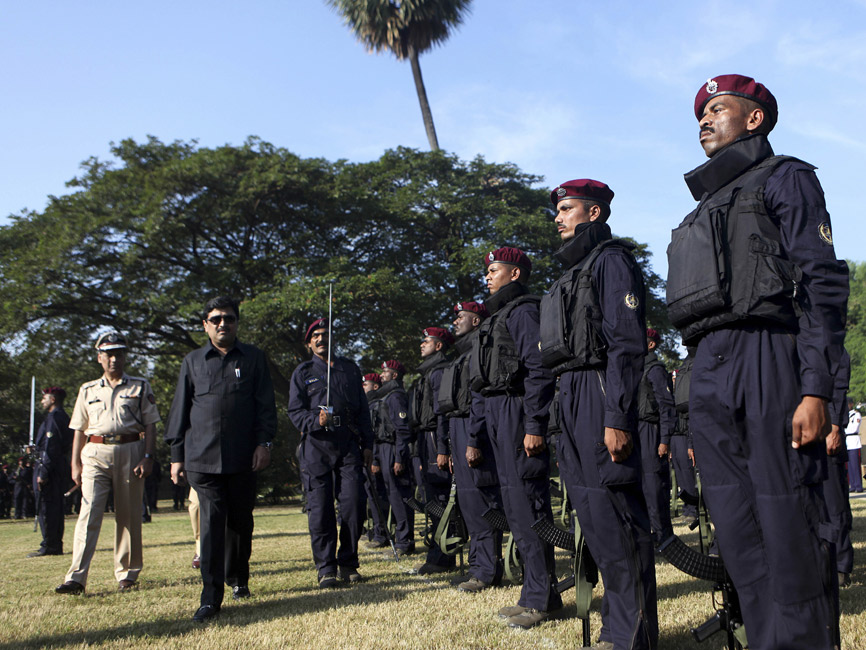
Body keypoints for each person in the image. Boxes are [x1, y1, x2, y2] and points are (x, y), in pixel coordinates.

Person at [666, 74, 849, 649]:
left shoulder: (786, 177)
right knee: (740, 532)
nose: (704, 119)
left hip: (769, 357)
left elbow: (821, 283)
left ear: (754, 119)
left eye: (718, 108)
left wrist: (817, 391)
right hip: (708, 366)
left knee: (788, 522)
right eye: (701, 111)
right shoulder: (700, 210)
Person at [541, 179, 657, 648]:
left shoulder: (611, 262)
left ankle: (635, 635)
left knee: (616, 516)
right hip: (569, 393)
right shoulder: (571, 272)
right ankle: (616, 627)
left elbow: (627, 343)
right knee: (592, 516)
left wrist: (617, 416)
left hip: (598, 389)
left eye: (567, 208)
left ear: (593, 214)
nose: (558, 217)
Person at [164, 296, 277, 622]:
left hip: (244, 457)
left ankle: (238, 578)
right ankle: (210, 598)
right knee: (212, 524)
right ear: (205, 325)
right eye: (215, 319)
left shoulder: (254, 358)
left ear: (237, 322)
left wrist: (264, 444)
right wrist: (176, 455)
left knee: (241, 522)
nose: (222, 324)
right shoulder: (193, 361)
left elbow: (265, 407)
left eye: (228, 318)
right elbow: (180, 410)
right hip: (202, 459)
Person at [469, 247, 561, 629]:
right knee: (514, 506)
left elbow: (538, 369)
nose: (488, 277)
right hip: (496, 412)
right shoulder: (498, 317)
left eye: (494, 270)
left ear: (515, 274)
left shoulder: (523, 311)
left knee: (529, 504)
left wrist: (534, 424)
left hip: (517, 409)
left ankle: (541, 598)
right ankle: (533, 591)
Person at [55, 331, 160, 595]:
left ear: (125, 356)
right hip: (95, 453)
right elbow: (79, 428)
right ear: (99, 357)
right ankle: (76, 578)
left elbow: (151, 424)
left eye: (119, 353)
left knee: (128, 515)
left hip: (130, 450)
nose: (114, 359)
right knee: (88, 514)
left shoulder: (140, 386)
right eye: (109, 354)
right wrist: (75, 465)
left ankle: (127, 573)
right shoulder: (87, 389)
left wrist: (148, 457)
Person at [288, 317, 374, 588]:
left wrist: (369, 445)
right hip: (316, 448)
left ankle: (348, 562)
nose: (322, 339)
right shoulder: (302, 373)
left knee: (353, 503)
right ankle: (326, 568)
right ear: (309, 342)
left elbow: (363, 411)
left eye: (326, 334)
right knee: (320, 509)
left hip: (348, 445)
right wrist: (315, 421)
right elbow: (295, 411)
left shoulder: (349, 369)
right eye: (316, 336)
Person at [438, 301, 503, 592]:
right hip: (458, 427)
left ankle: (487, 569)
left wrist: (474, 439)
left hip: (472, 427)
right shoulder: (460, 355)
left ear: (476, 321)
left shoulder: (479, 349)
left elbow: (479, 397)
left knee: (480, 503)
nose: (455, 322)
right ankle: (478, 566)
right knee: (468, 503)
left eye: (461, 317)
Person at [411, 326, 456, 575]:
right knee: (432, 500)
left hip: (434, 438)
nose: (421, 344)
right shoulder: (428, 372)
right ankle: (437, 553)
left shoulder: (438, 372)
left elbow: (441, 413)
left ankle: (441, 557)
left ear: (439, 346)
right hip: (425, 438)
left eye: (426, 341)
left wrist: (441, 447)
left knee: (440, 499)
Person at [371, 360, 416, 556]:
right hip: (383, 448)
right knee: (393, 495)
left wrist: (399, 457)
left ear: (394, 375)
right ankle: (401, 539)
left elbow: (402, 429)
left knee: (400, 496)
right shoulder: (386, 396)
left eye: (385, 372)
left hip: (393, 448)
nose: (382, 375)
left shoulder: (396, 397)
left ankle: (405, 541)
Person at [637, 328, 676, 543]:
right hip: (638, 432)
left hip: (652, 431)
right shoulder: (638, 368)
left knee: (654, 488)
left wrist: (664, 440)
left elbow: (666, 406)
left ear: (651, 344)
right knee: (642, 487)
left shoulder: (655, 369)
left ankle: (663, 536)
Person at [28, 386, 74, 557]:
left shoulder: (54, 418)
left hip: (50, 467)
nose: (42, 401)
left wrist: (44, 472)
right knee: (53, 507)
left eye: (44, 398)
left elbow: (51, 447)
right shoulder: (60, 416)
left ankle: (50, 545)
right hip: (56, 466)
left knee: (47, 507)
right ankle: (52, 543)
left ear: (52, 399)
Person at [361, 372, 390, 549]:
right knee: (372, 498)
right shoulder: (367, 405)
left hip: (377, 455)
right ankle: (379, 531)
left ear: (375, 387)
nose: (363, 388)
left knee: (378, 497)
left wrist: (375, 459)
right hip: (370, 456)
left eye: (366, 385)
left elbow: (378, 435)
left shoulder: (378, 405)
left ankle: (383, 533)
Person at [845, 397, 862, 493]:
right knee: (849, 466)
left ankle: (858, 486)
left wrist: (845, 431)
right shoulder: (845, 415)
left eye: (848, 404)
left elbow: (854, 428)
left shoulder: (857, 415)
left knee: (855, 466)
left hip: (854, 441)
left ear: (851, 404)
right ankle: (852, 485)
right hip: (847, 442)